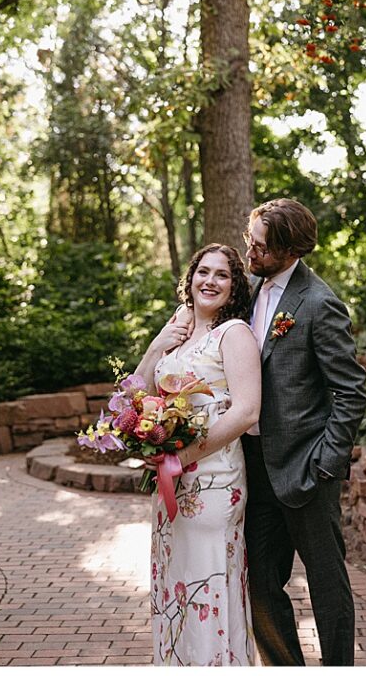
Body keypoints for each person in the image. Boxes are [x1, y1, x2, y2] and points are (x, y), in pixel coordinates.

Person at [242, 198, 366, 666]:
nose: (250, 252)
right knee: (260, 584)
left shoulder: (318, 303)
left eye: (261, 247)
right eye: (249, 239)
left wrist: (327, 462)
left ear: (291, 250)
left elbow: (351, 391)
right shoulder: (250, 290)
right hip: (255, 467)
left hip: (307, 468)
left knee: (327, 584)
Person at [136, 243, 261, 665]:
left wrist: (187, 453)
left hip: (213, 480)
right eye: (203, 272)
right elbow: (135, 397)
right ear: (190, 278)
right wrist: (157, 346)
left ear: (234, 286)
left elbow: (247, 410)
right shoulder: (178, 335)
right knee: (176, 583)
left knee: (206, 583)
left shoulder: (235, 333)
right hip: (173, 482)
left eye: (221, 275)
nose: (209, 281)